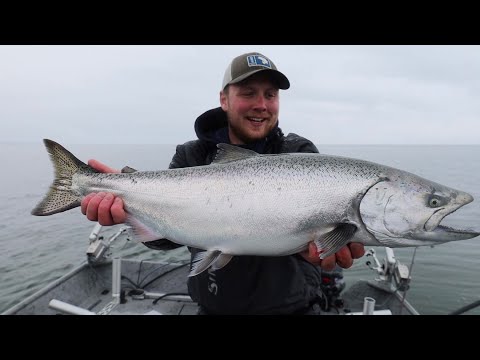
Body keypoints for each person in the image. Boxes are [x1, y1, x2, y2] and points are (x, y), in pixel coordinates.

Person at [81, 52, 365, 315]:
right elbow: (166, 239)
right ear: (224, 99)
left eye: (270, 94)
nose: (261, 105)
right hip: (215, 306)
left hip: (294, 307)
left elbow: (319, 235)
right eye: (248, 93)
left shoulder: (299, 154)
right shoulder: (192, 155)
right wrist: (128, 204)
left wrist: (320, 243)